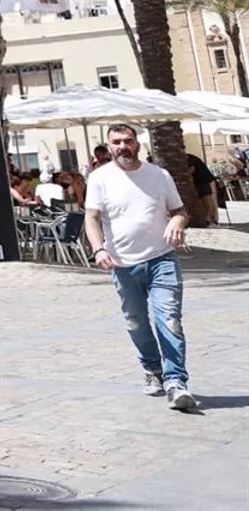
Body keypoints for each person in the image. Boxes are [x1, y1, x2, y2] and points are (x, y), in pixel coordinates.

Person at [84, 123, 198, 413]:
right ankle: (152, 368)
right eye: (117, 142)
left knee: (169, 319)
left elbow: (180, 211)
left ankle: (176, 382)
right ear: (108, 147)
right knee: (135, 321)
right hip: (122, 263)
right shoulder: (99, 178)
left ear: (138, 143)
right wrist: (98, 249)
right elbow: (92, 219)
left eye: (128, 140)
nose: (123, 146)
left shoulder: (159, 175)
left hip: (162, 259)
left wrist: (176, 222)